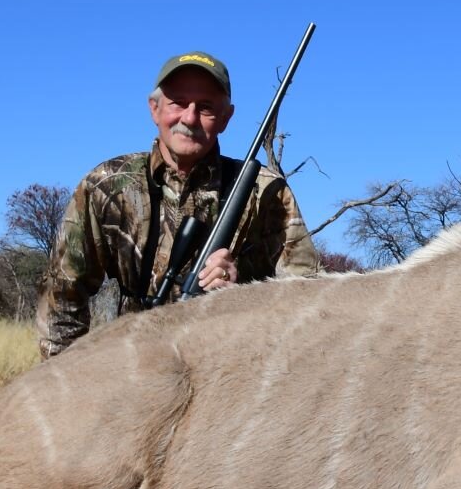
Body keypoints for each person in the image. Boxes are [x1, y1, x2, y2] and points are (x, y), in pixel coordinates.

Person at [35, 50, 321, 358]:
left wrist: (245, 298)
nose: (189, 117)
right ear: (154, 109)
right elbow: (62, 297)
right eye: (178, 103)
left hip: (233, 369)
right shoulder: (105, 185)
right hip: (132, 363)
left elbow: (308, 300)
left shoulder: (266, 191)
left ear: (226, 118)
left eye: (206, 107)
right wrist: (68, 384)